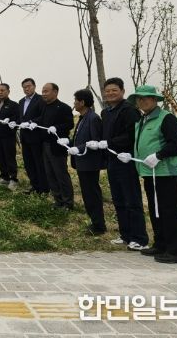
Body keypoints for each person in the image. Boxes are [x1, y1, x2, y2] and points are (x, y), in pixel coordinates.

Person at [127, 85, 177, 264]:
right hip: (149, 172)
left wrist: (158, 155)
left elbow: (175, 144)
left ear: (154, 99)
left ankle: (176, 251)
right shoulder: (142, 120)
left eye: (146, 98)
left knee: (170, 211)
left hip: (166, 173)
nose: (142, 101)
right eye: (139, 98)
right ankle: (161, 244)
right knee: (156, 210)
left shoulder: (166, 118)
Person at [101, 77, 149, 251]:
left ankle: (139, 238)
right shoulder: (106, 112)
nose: (110, 93)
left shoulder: (129, 110)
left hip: (126, 160)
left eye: (114, 90)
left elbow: (132, 135)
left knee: (131, 200)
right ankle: (125, 234)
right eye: (107, 91)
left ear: (122, 91)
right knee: (118, 199)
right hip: (112, 160)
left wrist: (111, 143)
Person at [68, 89, 106, 235]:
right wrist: (69, 142)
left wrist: (78, 148)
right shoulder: (83, 117)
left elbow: (95, 141)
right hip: (82, 163)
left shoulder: (93, 118)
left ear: (82, 102)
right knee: (87, 194)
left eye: (75, 100)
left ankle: (99, 226)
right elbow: (80, 139)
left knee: (92, 195)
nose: (74, 103)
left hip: (90, 163)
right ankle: (94, 222)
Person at [38, 82, 74, 210]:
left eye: (46, 91)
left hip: (57, 146)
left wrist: (56, 128)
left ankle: (68, 202)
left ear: (55, 92)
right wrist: (31, 123)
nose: (43, 94)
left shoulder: (64, 107)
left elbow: (70, 124)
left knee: (61, 174)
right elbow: (41, 120)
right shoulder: (44, 107)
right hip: (45, 144)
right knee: (50, 174)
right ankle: (58, 200)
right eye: (43, 91)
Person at [18, 78, 48, 194]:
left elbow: (43, 116)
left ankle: (43, 188)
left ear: (34, 86)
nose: (26, 89)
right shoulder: (21, 101)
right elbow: (21, 118)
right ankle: (34, 185)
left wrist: (31, 122)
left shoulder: (41, 99)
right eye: (24, 87)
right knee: (28, 163)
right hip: (24, 137)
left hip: (36, 137)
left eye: (29, 86)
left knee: (39, 163)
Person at [0, 83, 20, 190]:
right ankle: (4, 177)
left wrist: (11, 120)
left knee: (9, 157)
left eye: (2, 90)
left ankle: (13, 179)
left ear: (8, 91)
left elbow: (18, 119)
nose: (0, 92)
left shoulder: (14, 105)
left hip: (8, 136)